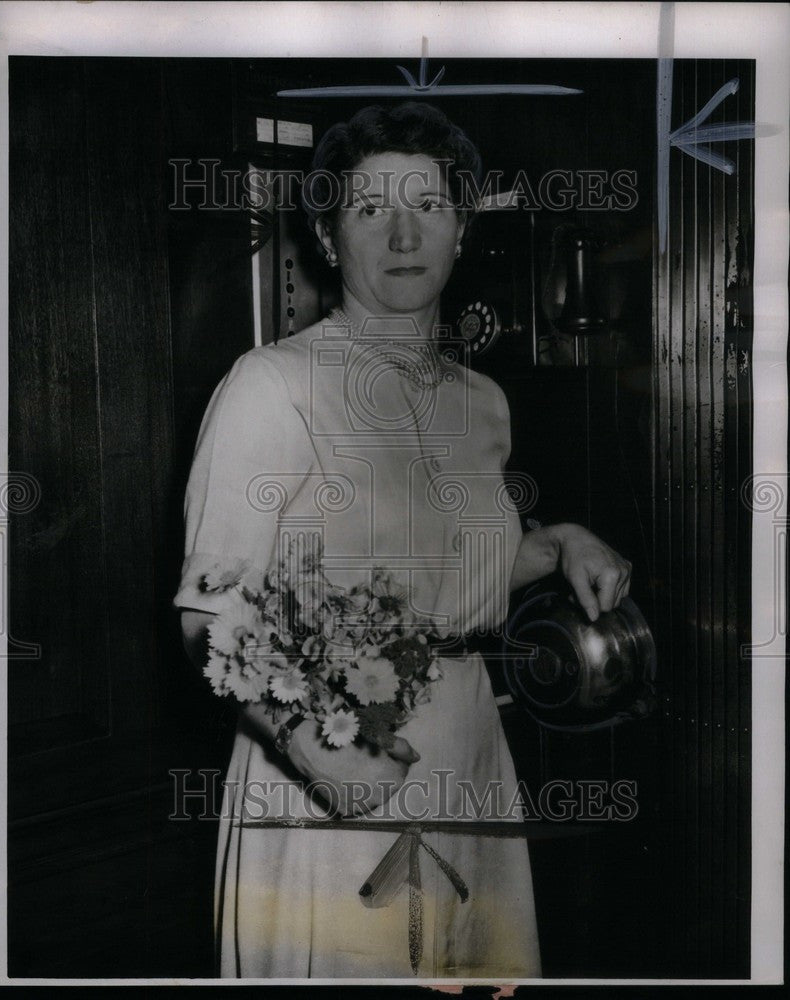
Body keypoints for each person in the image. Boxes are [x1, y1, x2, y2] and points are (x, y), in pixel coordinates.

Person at [175, 102, 631, 979]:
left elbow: (456, 576)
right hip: (330, 757)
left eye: (428, 205)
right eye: (370, 207)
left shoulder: (480, 400)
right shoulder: (271, 386)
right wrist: (314, 747)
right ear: (326, 232)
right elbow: (208, 618)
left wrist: (560, 540)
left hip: (468, 741)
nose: (403, 233)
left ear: (462, 227)